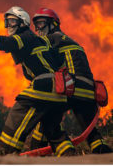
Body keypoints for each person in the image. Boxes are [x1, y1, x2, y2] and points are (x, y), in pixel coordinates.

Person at [0, 6, 75, 156]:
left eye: (13, 21)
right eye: (7, 22)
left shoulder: (25, 36)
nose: (8, 26)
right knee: (51, 129)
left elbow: (5, 42)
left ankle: (5, 153)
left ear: (23, 23)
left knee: (18, 113)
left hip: (45, 85)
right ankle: (70, 156)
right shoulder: (38, 40)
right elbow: (59, 62)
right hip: (59, 91)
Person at [30, 8, 112, 154]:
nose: (38, 29)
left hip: (71, 87)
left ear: (53, 24)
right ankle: (101, 149)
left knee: (46, 115)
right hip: (88, 90)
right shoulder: (69, 40)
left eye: (41, 24)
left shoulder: (50, 39)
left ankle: (56, 150)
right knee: (89, 127)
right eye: (36, 25)